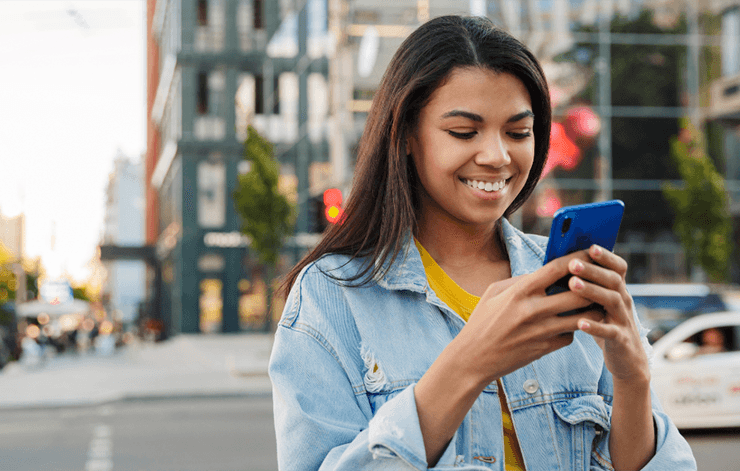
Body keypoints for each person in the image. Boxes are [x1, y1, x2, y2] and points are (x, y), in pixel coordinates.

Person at [268, 16, 696, 470]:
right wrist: (468, 364)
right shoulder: (331, 295)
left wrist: (632, 379)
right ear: (407, 135)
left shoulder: (569, 278)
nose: (497, 156)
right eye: (463, 132)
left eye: (518, 133)